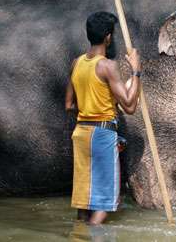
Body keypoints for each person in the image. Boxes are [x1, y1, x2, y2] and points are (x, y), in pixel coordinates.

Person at [65, 11, 142, 225]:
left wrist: (95, 102)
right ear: (108, 37)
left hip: (81, 134)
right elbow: (129, 105)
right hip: (101, 134)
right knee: (106, 204)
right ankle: (93, 236)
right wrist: (136, 71)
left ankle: (79, 236)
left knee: (84, 203)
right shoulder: (107, 66)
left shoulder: (76, 63)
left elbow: (69, 104)